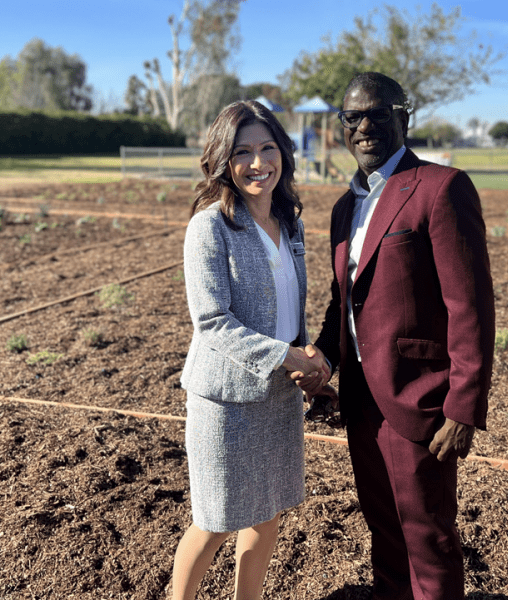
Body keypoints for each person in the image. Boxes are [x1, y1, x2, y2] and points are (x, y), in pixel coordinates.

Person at [296, 72, 495, 600]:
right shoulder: (345, 207)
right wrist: (323, 360)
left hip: (420, 400)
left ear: (404, 117)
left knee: (427, 540)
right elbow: (345, 302)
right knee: (383, 533)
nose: (364, 126)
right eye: (352, 117)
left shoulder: (441, 188)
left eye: (378, 113)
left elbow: (469, 308)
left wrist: (462, 407)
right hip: (362, 404)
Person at [173, 100, 329, 600]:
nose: (258, 162)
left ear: (283, 152)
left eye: (267, 148)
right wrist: (288, 357)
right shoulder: (209, 228)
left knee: (268, 513)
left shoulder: (292, 223)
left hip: (278, 396)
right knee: (216, 519)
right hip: (227, 401)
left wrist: (306, 355)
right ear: (224, 160)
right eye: (243, 152)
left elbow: (291, 308)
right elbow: (212, 322)